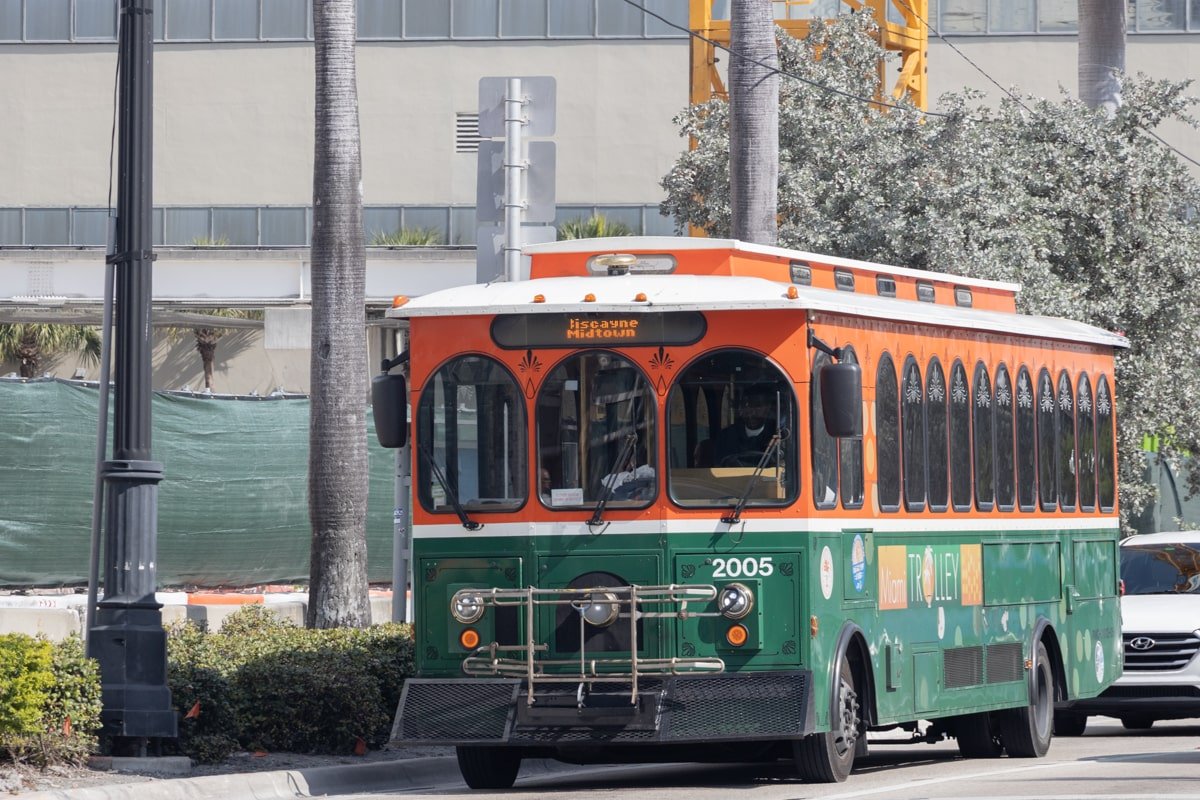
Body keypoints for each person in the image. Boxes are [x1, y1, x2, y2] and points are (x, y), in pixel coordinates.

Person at [712, 385, 778, 467]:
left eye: (757, 405)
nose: (751, 411)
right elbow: (718, 466)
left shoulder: (777, 436)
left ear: (768, 408)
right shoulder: (726, 437)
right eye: (746, 405)